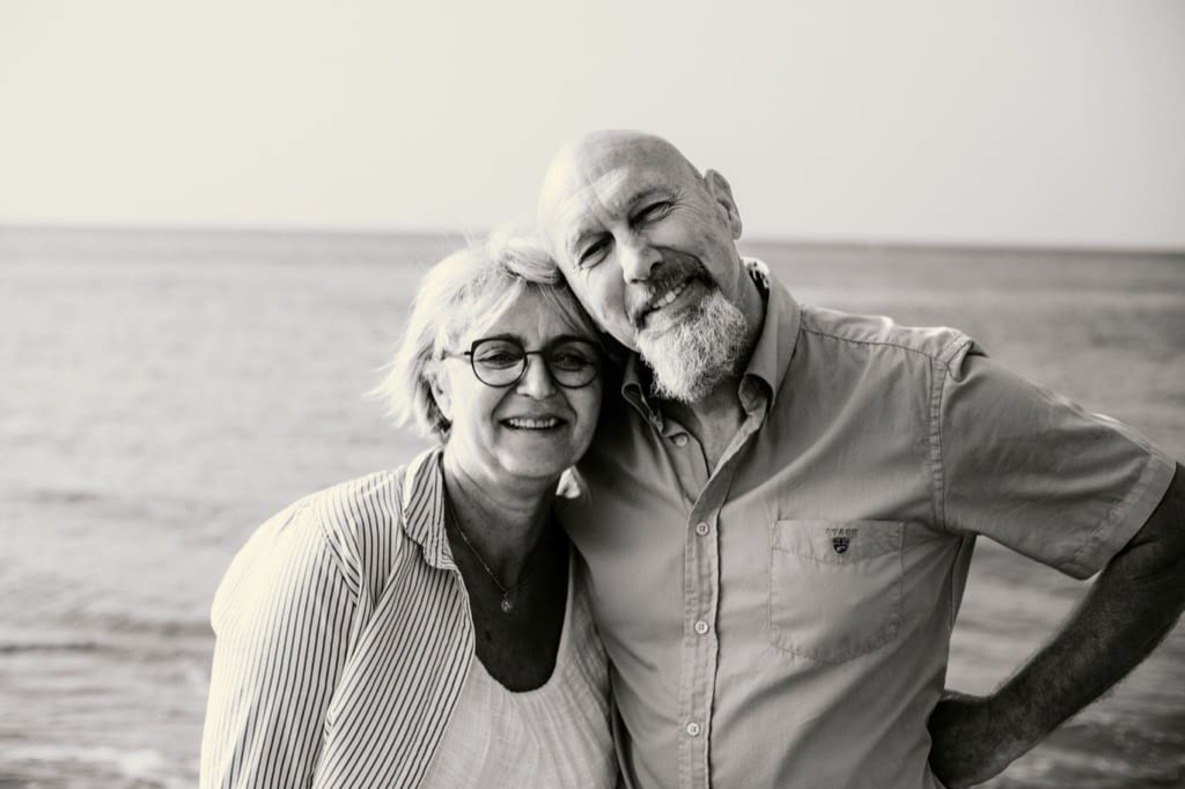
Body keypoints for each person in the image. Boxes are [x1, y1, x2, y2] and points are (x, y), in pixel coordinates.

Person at [536, 129, 1185, 789]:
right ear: (581, 297)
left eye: (650, 212)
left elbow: (1167, 520)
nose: (638, 260)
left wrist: (1010, 723)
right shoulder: (574, 436)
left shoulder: (920, 392)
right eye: (594, 248)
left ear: (724, 206)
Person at [199, 234, 618, 788]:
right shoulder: (337, 552)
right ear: (439, 385)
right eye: (498, 355)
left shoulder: (606, 577)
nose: (539, 385)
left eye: (570, 358)